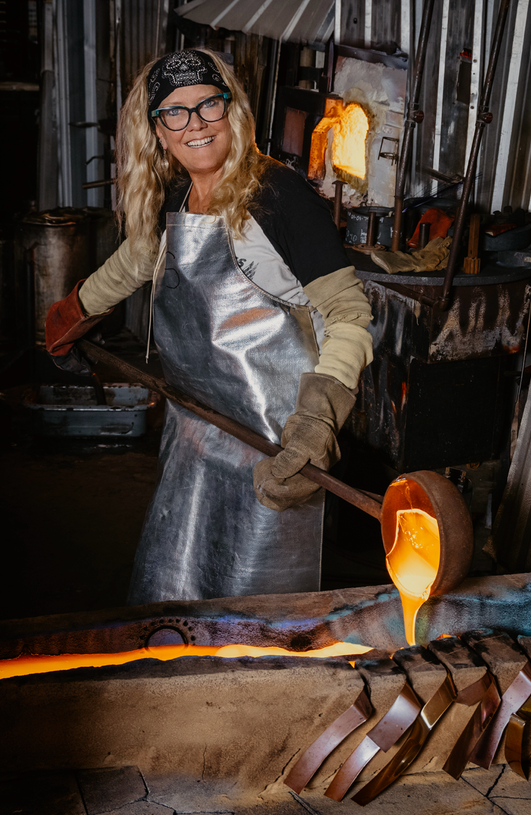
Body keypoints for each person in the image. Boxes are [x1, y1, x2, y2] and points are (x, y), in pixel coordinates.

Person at [45, 49, 373, 604]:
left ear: (232, 111)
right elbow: (134, 262)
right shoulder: (173, 196)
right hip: (196, 432)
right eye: (175, 113)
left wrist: (317, 423)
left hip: (275, 452)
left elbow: (349, 315)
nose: (195, 124)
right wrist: (72, 312)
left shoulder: (279, 198)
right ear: (158, 131)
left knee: (257, 614)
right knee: (176, 586)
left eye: (207, 105)